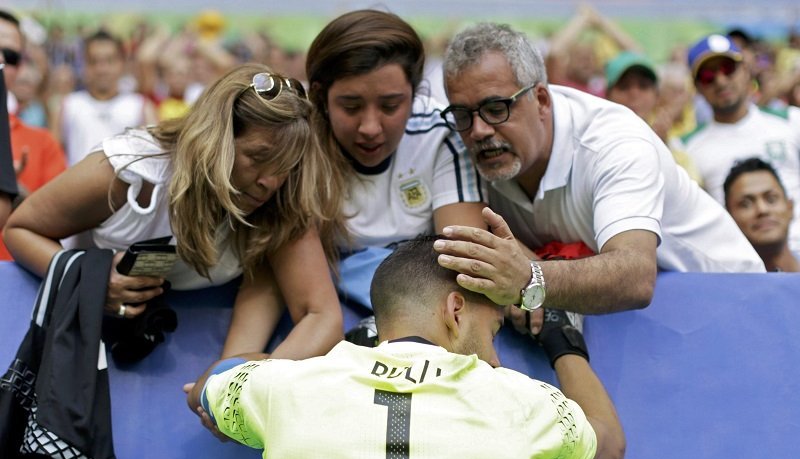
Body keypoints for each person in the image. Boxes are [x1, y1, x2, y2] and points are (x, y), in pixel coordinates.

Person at [185, 234, 625, 459]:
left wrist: (332, 356)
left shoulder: (289, 388)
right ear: (455, 312)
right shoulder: (516, 399)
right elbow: (608, 444)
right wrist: (561, 342)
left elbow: (215, 379)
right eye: (491, 334)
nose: (494, 358)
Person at [433, 22, 765, 336]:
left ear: (542, 101)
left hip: (733, 300)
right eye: (463, 114)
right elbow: (467, 245)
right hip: (623, 324)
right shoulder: (457, 142)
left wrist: (530, 278)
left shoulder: (614, 142)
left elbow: (633, 275)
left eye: (496, 108)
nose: (478, 130)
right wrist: (529, 272)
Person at [4, 62, 345, 360]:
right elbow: (19, 229)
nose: (269, 182)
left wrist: (236, 380)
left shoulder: (284, 195)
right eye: (257, 158)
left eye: (286, 165)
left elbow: (321, 316)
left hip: (181, 366)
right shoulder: (133, 169)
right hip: (77, 346)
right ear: (216, 139)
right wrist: (89, 280)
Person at [304, 9, 487, 313]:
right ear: (321, 97)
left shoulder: (441, 137)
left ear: (415, 94)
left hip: (422, 303)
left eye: (390, 106)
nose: (370, 128)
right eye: (351, 107)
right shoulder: (300, 145)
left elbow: (463, 263)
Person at [680, 33, 800, 254]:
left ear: (745, 71)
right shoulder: (685, 147)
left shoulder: (792, 120)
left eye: (727, 69)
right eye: (708, 75)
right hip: (741, 267)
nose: (721, 80)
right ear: (696, 87)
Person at [0, 9, 67, 261]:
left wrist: (20, 197)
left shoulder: (43, 144)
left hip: (17, 285)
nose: (1, 62)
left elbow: (64, 224)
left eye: (10, 55)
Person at [53, 29, 158, 165]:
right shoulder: (68, 105)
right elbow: (53, 157)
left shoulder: (140, 107)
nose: (102, 69)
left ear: (122, 63)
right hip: (78, 185)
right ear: (84, 64)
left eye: (110, 61)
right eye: (94, 61)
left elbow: (154, 158)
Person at [604, 51, 701, 181]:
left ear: (656, 95)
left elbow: (689, 193)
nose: (634, 93)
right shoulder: (592, 142)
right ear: (607, 95)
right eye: (624, 86)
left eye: (643, 86)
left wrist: (661, 149)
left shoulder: (675, 148)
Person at [723, 157, 799, 272]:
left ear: (790, 207)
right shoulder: (721, 285)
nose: (762, 210)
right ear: (728, 218)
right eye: (746, 204)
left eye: (771, 199)